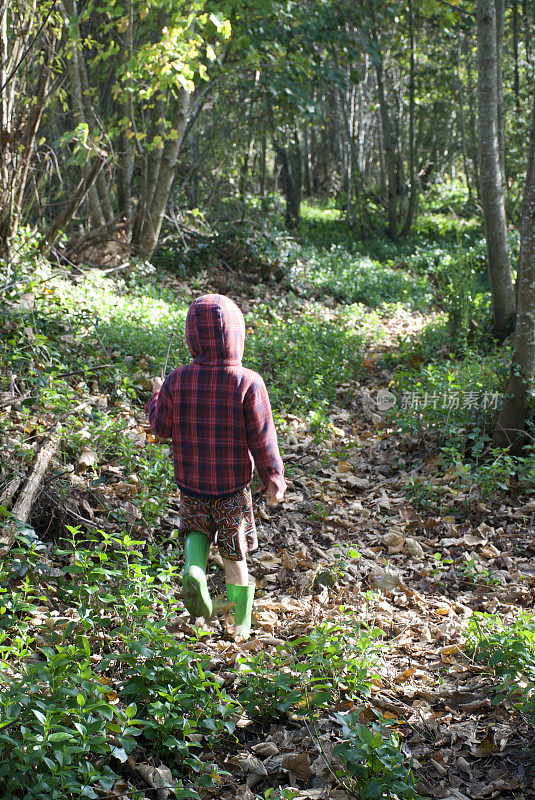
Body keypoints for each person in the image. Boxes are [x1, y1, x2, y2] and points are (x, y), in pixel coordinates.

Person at [145, 294, 286, 640]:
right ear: (237, 335)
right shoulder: (248, 382)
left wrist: (157, 395)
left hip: (191, 484)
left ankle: (194, 569)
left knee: (196, 532)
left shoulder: (178, 379)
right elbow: (263, 437)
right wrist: (274, 476)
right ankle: (241, 623)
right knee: (235, 554)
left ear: (193, 336)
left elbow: (160, 427)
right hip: (232, 490)